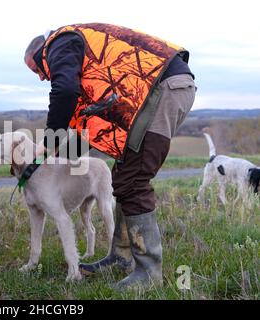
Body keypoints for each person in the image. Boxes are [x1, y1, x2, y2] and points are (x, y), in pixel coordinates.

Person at [24, 23, 196, 290]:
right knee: (124, 174)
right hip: (159, 90)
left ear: (40, 54)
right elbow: (89, 132)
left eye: (36, 70)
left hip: (163, 88)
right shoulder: (90, 70)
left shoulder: (60, 43)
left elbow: (64, 91)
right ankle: (122, 257)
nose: (41, 77)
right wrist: (58, 153)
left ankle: (148, 273)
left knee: (134, 180)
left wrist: (49, 141)